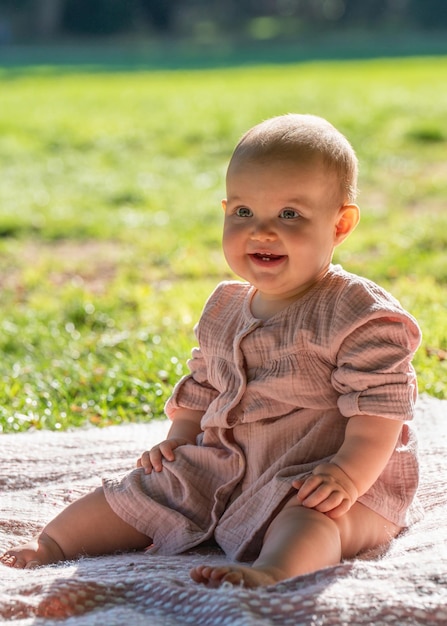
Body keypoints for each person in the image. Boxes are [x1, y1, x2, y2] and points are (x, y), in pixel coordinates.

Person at [1, 114, 422, 588]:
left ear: (340, 224)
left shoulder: (356, 312)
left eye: (289, 214)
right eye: (243, 212)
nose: (262, 231)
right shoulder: (224, 307)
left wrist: (346, 473)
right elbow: (205, 384)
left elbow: (380, 410)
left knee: (310, 520)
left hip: (327, 473)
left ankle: (271, 573)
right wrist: (180, 437)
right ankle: (54, 546)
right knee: (141, 492)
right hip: (224, 466)